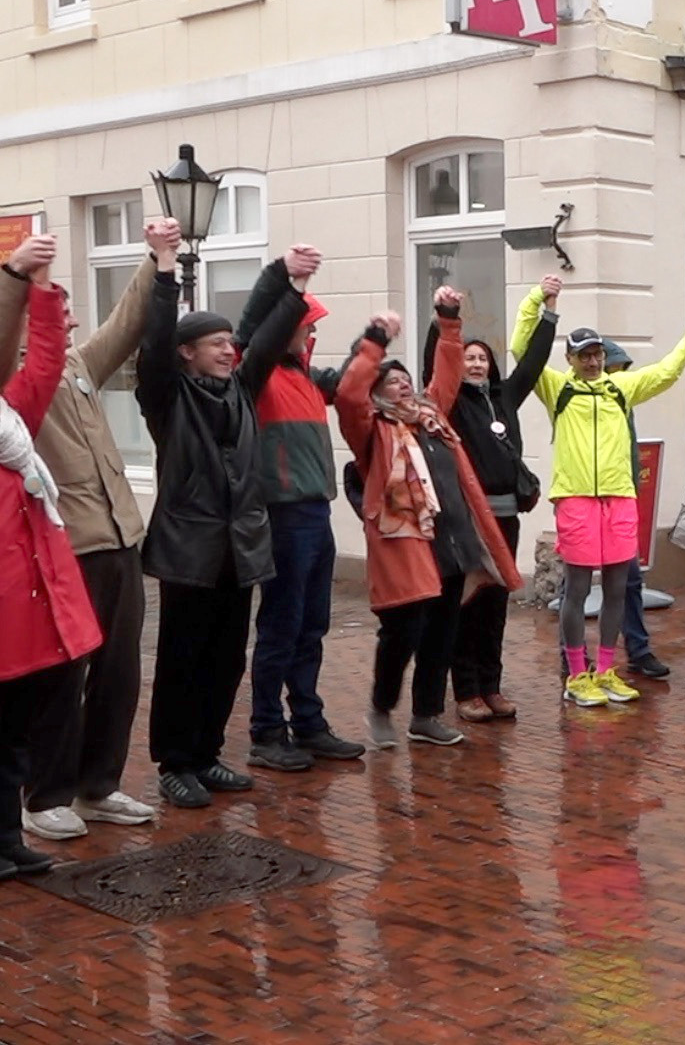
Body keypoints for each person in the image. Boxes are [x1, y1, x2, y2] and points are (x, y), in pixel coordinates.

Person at [138, 244, 317, 808]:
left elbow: (262, 338)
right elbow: (153, 341)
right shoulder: (166, 397)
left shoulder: (240, 390)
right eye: (216, 345)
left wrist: (290, 283)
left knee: (226, 658)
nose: (228, 351)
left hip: (239, 551)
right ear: (185, 352)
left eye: (228, 344)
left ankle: (209, 754)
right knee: (182, 658)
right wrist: (165, 273)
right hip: (189, 552)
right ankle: (175, 762)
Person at [18, 224, 163, 841]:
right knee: (61, 677)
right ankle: (44, 795)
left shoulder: (78, 366)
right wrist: (23, 281)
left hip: (118, 538)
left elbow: (126, 325)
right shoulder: (13, 376)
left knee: (120, 671)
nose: (71, 320)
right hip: (65, 546)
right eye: (59, 307)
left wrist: (157, 259)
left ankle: (98, 784)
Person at [336, 299, 522, 748]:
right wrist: (376, 342)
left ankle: (426, 716)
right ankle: (382, 706)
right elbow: (347, 394)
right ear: (377, 392)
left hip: (450, 542)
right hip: (407, 547)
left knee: (441, 633)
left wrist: (450, 322)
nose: (403, 387)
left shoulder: (431, 417)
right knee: (403, 633)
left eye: (405, 380)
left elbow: (448, 371)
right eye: (392, 382)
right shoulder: (370, 429)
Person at [530, 305, 685, 706]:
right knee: (577, 588)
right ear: (571, 360)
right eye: (584, 355)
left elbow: (668, 370)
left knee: (617, 587)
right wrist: (541, 306)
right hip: (576, 498)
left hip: (619, 498)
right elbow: (521, 349)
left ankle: (607, 670)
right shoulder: (557, 388)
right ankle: (577, 674)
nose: (593, 361)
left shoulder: (620, 388)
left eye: (597, 354)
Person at [234, 256, 367, 773]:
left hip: (316, 513)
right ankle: (267, 731)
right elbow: (253, 332)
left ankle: (308, 722)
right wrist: (286, 279)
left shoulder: (309, 378)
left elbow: (356, 376)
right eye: (305, 325)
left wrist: (375, 339)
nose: (310, 332)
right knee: (282, 625)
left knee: (312, 624)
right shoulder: (259, 373)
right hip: (284, 516)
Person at [0, 233, 100, 878]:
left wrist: (38, 291)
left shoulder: (12, 420)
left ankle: (7, 837)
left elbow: (43, 362)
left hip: (33, 606)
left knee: (12, 730)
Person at [429, 278, 558, 722]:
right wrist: (446, 319)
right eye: (469, 358)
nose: (477, 364)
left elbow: (535, 363)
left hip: (506, 520)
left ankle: (492, 686)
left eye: (483, 358)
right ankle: (466, 691)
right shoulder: (450, 402)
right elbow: (439, 363)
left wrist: (549, 310)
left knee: (496, 608)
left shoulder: (504, 399)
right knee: (469, 605)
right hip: (469, 521)